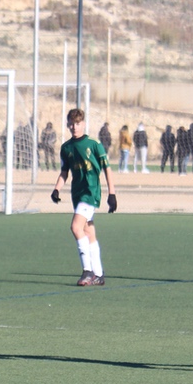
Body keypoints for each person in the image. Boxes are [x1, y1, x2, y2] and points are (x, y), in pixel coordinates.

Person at [50, 108, 116, 286]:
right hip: (77, 194)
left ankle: (88, 271)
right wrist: (57, 189)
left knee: (75, 227)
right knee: (88, 232)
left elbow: (107, 169)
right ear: (67, 125)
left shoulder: (94, 144)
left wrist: (112, 193)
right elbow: (64, 172)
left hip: (91, 192)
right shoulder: (66, 148)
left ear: (84, 124)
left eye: (77, 123)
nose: (74, 127)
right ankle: (99, 274)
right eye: (71, 124)